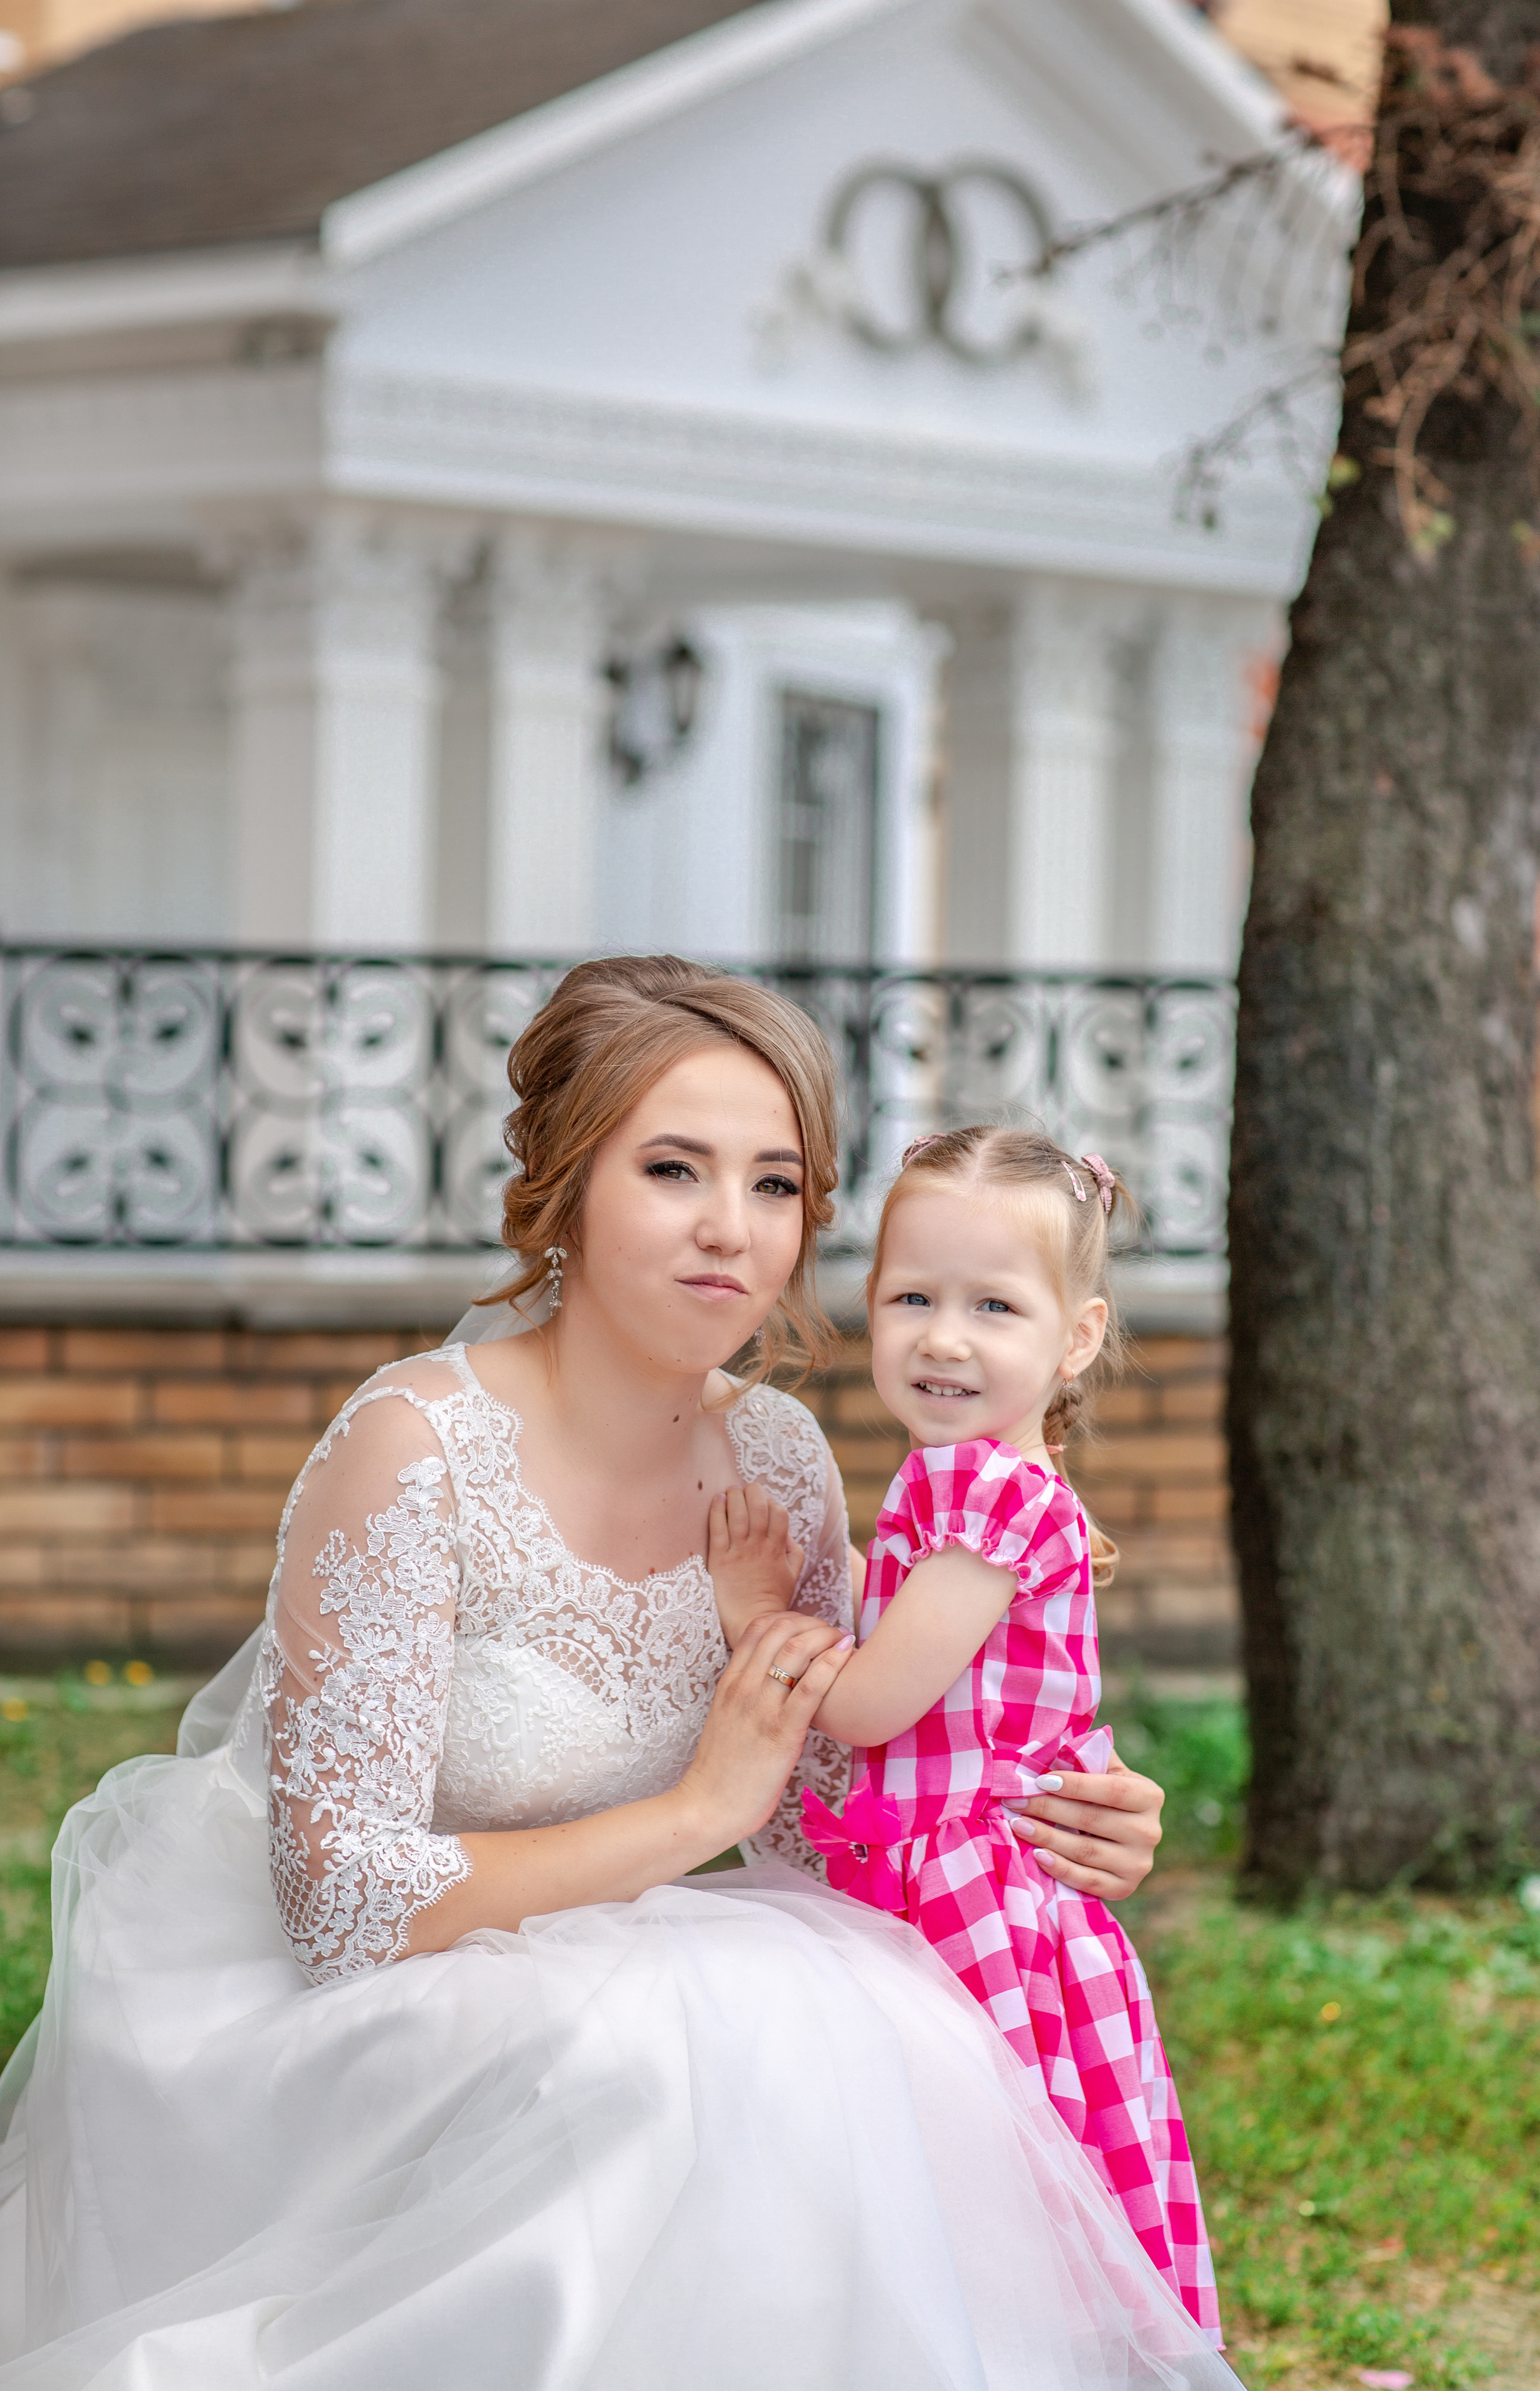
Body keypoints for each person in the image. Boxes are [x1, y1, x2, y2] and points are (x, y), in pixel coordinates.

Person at [0, 957, 1227, 2391]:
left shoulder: (774, 1460)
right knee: (657, 2069)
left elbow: (825, 1806)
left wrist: (1057, 1804)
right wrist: (687, 1818)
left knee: (846, 2027)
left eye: (776, 1185)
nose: (731, 1230)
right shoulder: (413, 1448)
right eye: (671, 1170)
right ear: (569, 1188)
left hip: (615, 1957)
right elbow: (342, 1908)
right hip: (342, 1995)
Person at [711, 1127, 1219, 2342]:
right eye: (911, 1298)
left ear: (1077, 1336)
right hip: (964, 1868)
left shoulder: (983, 1487)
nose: (943, 1337)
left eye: (993, 1305)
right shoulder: (970, 1474)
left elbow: (878, 1702)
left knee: (974, 2184)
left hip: (969, 1894)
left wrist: (751, 1615)